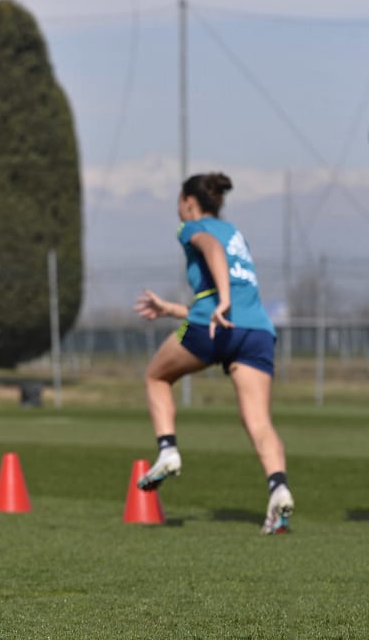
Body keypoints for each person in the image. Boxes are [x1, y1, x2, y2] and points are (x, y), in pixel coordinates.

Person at [133, 172, 293, 536]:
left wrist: (222, 298)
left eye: (178, 201)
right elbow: (232, 280)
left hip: (216, 324)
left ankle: (168, 449)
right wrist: (172, 309)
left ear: (189, 202)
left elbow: (211, 250)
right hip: (256, 331)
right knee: (258, 421)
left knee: (156, 377)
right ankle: (279, 488)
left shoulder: (191, 228)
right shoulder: (236, 233)